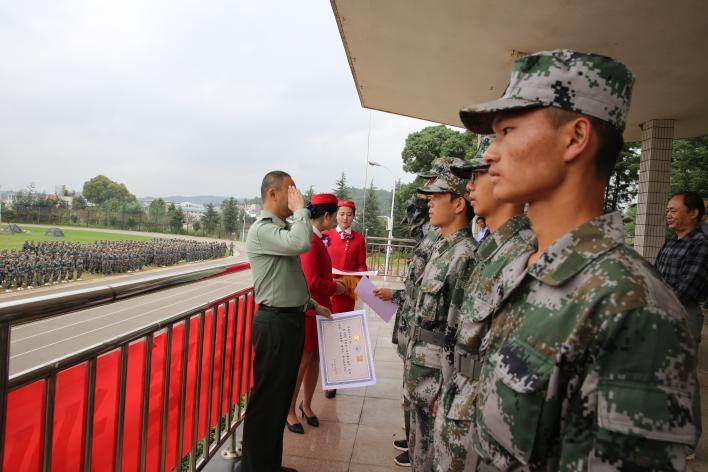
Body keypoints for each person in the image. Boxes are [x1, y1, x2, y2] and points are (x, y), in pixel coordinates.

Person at [458, 49, 698, 470]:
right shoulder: (524, 266)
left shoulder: (633, 308)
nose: (491, 153)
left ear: (575, 138)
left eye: (508, 131)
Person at [434, 136, 533, 471]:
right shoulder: (490, 251)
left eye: (478, 174)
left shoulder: (524, 254)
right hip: (459, 405)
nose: (470, 186)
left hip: (482, 425)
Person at [238, 171, 331, 472]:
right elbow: (301, 243)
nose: (295, 195)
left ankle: (269, 465)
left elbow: (288, 279)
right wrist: (302, 209)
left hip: (289, 320)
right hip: (274, 323)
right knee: (267, 400)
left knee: (278, 401)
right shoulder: (263, 229)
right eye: (290, 189)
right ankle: (253, 467)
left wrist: (312, 304)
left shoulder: (281, 229)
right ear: (272, 194)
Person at [374, 156, 462, 467]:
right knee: (415, 409)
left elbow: (455, 325)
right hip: (417, 336)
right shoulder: (439, 241)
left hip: (433, 351)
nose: (428, 195)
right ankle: (414, 444)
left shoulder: (458, 250)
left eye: (437, 189)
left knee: (426, 427)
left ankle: (417, 447)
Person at [405, 170, 477, 470]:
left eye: (437, 197)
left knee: (430, 456)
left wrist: (448, 388)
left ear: (459, 204)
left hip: (437, 377)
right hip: (421, 368)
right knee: (418, 449)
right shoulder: (442, 248)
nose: (429, 203)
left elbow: (459, 331)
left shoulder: (465, 255)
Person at [286, 193, 346, 433]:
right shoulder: (311, 240)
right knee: (303, 361)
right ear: (327, 215)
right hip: (310, 311)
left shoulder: (316, 238)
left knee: (314, 359)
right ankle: (290, 411)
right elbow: (311, 282)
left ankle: (307, 405)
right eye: (335, 214)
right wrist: (335, 287)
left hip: (320, 310)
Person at [655, 192, 708, 343]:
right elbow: (654, 275)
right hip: (660, 311)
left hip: (683, 315)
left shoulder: (701, 244)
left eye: (673, 211)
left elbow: (686, 289)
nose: (668, 216)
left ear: (693, 213)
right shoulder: (670, 242)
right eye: (667, 211)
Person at [323, 200, 367, 314]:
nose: (345, 218)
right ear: (336, 215)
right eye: (342, 214)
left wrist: (361, 280)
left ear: (354, 216)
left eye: (349, 214)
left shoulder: (359, 239)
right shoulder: (326, 234)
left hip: (347, 289)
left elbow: (361, 265)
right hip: (327, 286)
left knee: (342, 321)